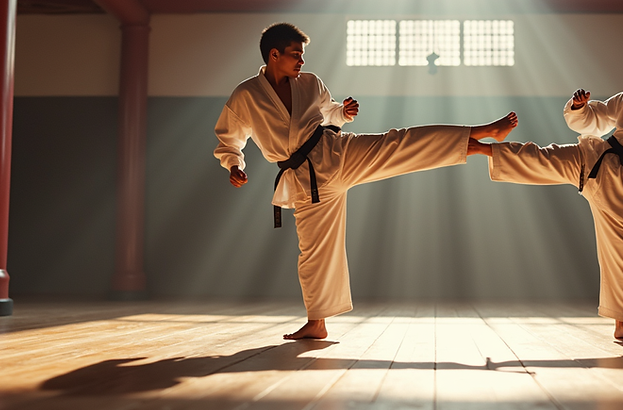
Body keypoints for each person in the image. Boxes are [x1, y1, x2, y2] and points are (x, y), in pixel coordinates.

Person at [214, 22, 517, 340]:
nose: (301, 61)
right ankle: (317, 323)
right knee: (314, 252)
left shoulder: (310, 82)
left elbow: (327, 113)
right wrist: (234, 165)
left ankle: (478, 136)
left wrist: (342, 113)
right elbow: (229, 139)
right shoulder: (246, 95)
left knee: (399, 143)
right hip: (306, 180)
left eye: (302, 55)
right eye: (295, 55)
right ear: (274, 55)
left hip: (336, 153)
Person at [474, 42, 623, 340]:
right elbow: (594, 120)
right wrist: (580, 108)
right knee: (541, 156)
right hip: (596, 158)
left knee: (621, 254)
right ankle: (478, 146)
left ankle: (621, 323)